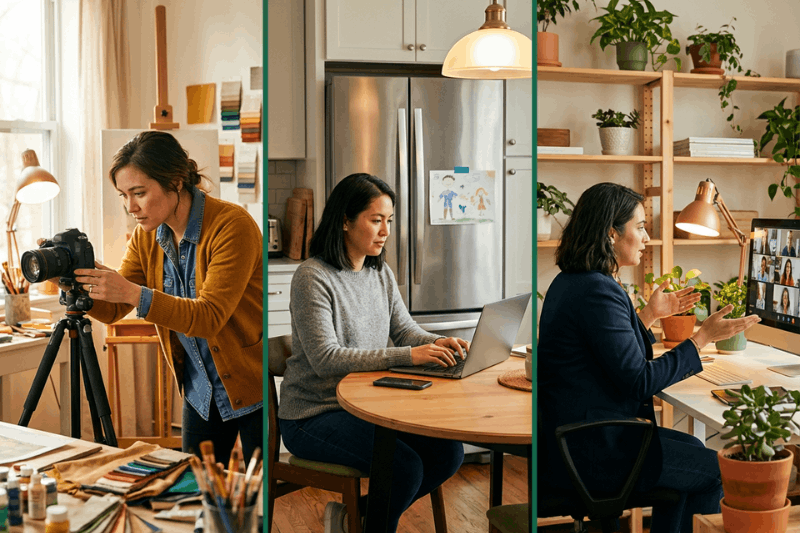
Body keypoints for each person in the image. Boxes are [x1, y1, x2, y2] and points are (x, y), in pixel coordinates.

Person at [538, 182, 760, 533]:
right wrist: (702, 338)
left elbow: (608, 354)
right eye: (640, 227)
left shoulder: (576, 281)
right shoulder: (597, 290)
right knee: (717, 472)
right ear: (611, 233)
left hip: (577, 438)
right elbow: (639, 380)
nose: (646, 238)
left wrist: (649, 315)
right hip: (594, 449)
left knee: (692, 446)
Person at [278, 173, 468, 533]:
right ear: (345, 221)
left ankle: (357, 518)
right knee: (402, 467)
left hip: (368, 408)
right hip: (314, 414)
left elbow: (405, 330)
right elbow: (326, 359)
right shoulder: (312, 277)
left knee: (448, 453)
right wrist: (408, 356)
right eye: (376, 220)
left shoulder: (379, 273)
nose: (385, 231)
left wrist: (439, 341)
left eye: (389, 221)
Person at [72, 131, 263, 463]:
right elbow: (114, 309)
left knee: (257, 492)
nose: (130, 207)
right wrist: (70, 278)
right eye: (124, 195)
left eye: (139, 193)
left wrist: (132, 292)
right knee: (196, 489)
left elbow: (209, 317)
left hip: (252, 388)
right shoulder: (146, 237)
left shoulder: (232, 226)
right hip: (200, 391)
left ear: (176, 182)